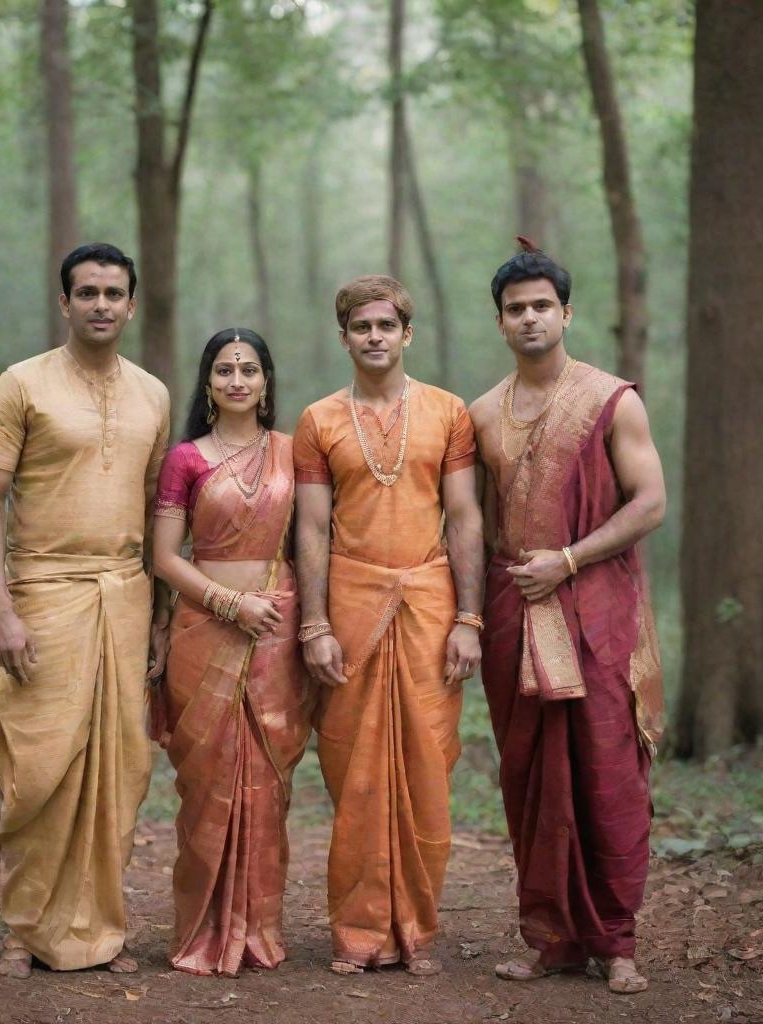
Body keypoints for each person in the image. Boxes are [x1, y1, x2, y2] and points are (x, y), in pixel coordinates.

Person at [469, 239, 665, 995]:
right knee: (531, 779)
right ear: (500, 322)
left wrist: (571, 561)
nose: (529, 318)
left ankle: (617, 943)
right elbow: (477, 527)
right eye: (515, 309)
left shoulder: (612, 399)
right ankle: (549, 938)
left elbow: (650, 502)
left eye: (541, 305)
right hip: (516, 610)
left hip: (597, 612)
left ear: (566, 312)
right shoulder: (482, 413)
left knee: (606, 771)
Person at [0, 243, 170, 978]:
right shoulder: (22, 383)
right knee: (40, 765)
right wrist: (1, 611)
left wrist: (161, 615)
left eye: (113, 293)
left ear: (131, 303)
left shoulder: (153, 394)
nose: (100, 304)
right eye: (85, 292)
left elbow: (156, 511)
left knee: (119, 769)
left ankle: (100, 931)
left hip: (125, 593)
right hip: (43, 593)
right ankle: (25, 931)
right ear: (64, 303)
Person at [293, 275, 484, 978]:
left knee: (428, 767)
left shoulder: (448, 413)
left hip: (431, 609)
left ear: (408, 333)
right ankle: (359, 930)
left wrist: (469, 617)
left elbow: (463, 515)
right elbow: (311, 525)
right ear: (342, 337)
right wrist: (313, 624)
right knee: (353, 770)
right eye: (360, 326)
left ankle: (417, 930)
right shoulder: (318, 421)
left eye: (385, 325)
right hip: (349, 606)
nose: (373, 337)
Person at [149, 328, 313, 977]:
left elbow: (310, 546)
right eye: (224, 370)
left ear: (267, 380)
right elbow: (163, 557)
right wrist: (228, 604)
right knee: (207, 785)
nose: (238, 379)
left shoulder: (294, 454)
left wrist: (309, 621)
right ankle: (200, 933)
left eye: (249, 368)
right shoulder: (186, 458)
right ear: (209, 382)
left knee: (269, 787)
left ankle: (259, 931)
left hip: (277, 631)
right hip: (205, 631)